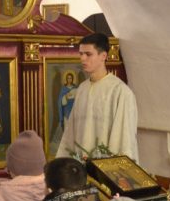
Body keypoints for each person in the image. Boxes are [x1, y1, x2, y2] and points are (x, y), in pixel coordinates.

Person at [57, 32, 139, 161]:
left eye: (88, 54)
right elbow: (71, 131)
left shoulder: (119, 91)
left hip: (105, 166)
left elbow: (124, 138)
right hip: (81, 164)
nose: (83, 59)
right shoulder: (82, 89)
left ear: (103, 56)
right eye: (81, 54)